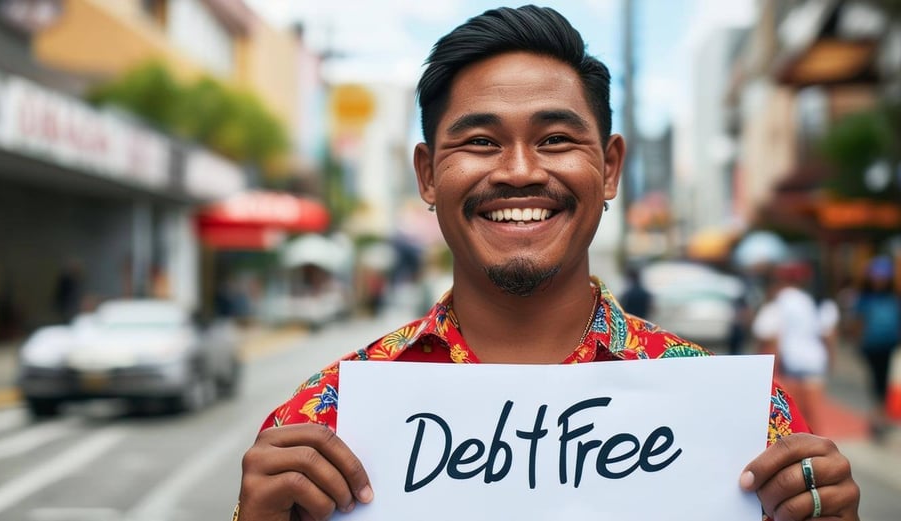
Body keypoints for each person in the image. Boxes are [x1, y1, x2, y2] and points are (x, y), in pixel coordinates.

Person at [236, 6, 860, 521]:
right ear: (427, 175)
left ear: (610, 167)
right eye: (480, 141)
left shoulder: (748, 427)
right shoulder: (322, 420)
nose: (518, 171)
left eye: (556, 139)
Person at [751, 261, 832, 433]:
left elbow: (769, 336)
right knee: (813, 419)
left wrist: (768, 371)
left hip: (790, 365)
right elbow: (827, 332)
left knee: (793, 421)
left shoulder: (780, 302)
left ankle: (804, 458)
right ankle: (817, 456)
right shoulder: (811, 301)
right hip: (814, 362)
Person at [851, 255, 900, 439]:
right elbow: (858, 321)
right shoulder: (866, 298)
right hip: (871, 346)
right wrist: (857, 341)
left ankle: (880, 416)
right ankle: (878, 416)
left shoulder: (892, 297)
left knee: (883, 382)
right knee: (877, 382)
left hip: (888, 345)